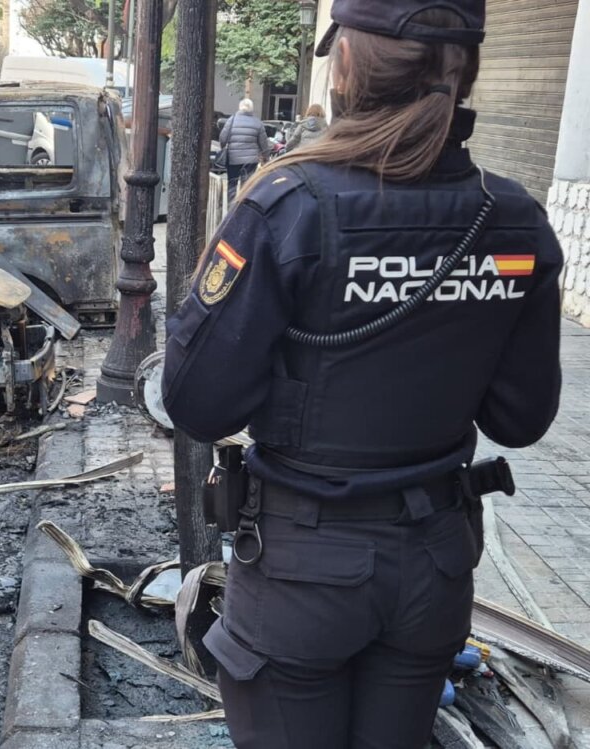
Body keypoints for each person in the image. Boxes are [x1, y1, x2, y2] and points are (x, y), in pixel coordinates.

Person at [161, 1, 563, 747]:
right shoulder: (514, 221)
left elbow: (196, 400)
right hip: (434, 569)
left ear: (346, 64)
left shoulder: (288, 205)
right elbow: (522, 417)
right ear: (465, 67)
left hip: (301, 576)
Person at [219, 98, 270, 201]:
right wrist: (266, 157)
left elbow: (223, 138)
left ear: (240, 107)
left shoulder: (231, 120)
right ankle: (243, 206)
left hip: (233, 159)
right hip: (251, 160)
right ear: (251, 109)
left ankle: (231, 206)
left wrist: (223, 147)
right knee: (246, 185)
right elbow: (264, 143)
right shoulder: (257, 122)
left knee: (232, 183)